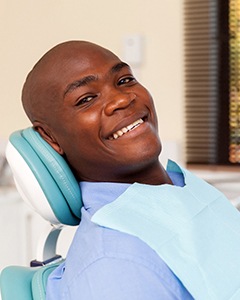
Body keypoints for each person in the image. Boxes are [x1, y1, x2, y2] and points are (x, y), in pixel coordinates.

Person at [21, 41, 240, 300]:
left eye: (124, 80)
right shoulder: (114, 264)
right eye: (86, 99)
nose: (122, 99)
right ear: (50, 138)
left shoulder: (181, 187)